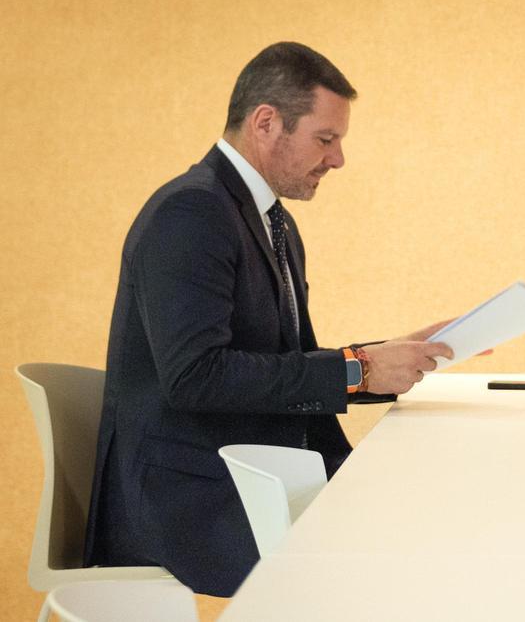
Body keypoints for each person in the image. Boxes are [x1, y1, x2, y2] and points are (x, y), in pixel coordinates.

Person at [84, 42, 458, 597]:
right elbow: (196, 378)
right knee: (395, 562)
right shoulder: (191, 213)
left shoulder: (270, 220)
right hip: (188, 499)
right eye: (325, 139)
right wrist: (356, 370)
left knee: (423, 523)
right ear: (266, 123)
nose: (337, 160)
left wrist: (385, 358)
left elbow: (283, 364)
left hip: (254, 472)